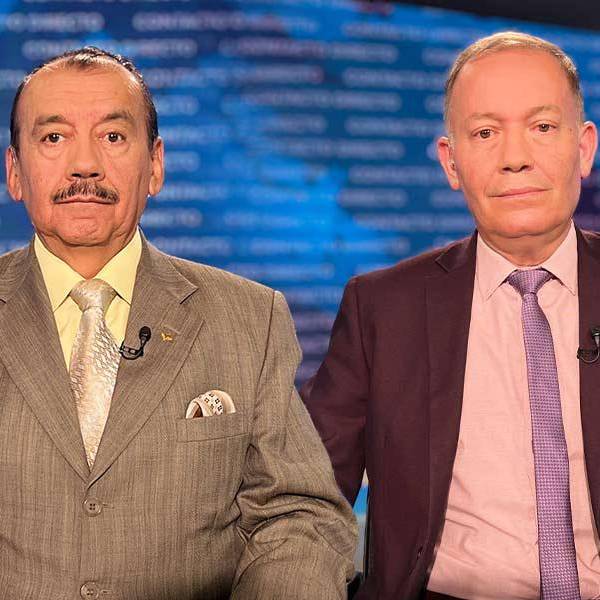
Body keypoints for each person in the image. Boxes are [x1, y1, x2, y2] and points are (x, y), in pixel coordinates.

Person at [0, 46, 356, 599]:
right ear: (15, 171)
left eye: (112, 136)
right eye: (53, 137)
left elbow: (298, 514)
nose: (84, 165)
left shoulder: (249, 318)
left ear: (156, 165)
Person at [301, 31, 600, 600]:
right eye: (485, 133)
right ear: (451, 161)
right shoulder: (382, 309)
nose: (515, 158)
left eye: (542, 127)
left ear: (584, 148)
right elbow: (307, 498)